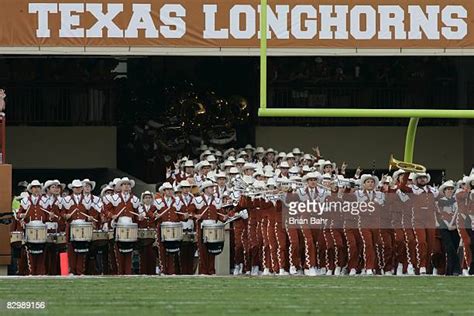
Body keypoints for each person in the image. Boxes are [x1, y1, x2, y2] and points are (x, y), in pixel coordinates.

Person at [105, 177, 140, 275]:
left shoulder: (135, 199)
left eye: (128, 184)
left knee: (129, 251)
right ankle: (120, 272)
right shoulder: (114, 198)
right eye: (124, 184)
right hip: (119, 226)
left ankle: (128, 272)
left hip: (130, 226)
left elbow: (137, 213)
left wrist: (140, 217)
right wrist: (112, 215)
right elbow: (106, 210)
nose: (126, 186)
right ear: (120, 187)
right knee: (118, 251)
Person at [192, 181, 227, 275]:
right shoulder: (197, 200)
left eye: (213, 187)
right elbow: (191, 213)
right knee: (202, 250)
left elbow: (220, 215)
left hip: (213, 227)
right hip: (202, 227)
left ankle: (211, 270)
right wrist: (196, 215)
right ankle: (203, 271)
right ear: (205, 189)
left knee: (212, 249)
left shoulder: (217, 201)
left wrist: (225, 217)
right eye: (210, 187)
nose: (213, 189)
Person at [17, 180, 51, 275]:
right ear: (31, 189)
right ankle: (31, 272)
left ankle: (40, 272)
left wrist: (50, 216)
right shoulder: (25, 200)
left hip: (41, 229)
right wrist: (21, 216)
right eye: (34, 187)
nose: (36, 189)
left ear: (40, 189)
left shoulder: (45, 200)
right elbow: (18, 214)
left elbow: (48, 216)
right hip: (29, 229)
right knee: (30, 251)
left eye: (38, 187)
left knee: (42, 251)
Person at [437, 180, 461, 276]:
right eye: (448, 189)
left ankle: (450, 271)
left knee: (455, 248)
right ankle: (456, 269)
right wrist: (449, 225)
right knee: (449, 248)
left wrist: (455, 225)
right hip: (445, 227)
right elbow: (443, 215)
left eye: (451, 189)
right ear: (444, 191)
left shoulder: (456, 202)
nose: (450, 191)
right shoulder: (441, 201)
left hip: (455, 227)